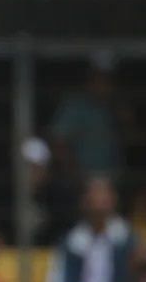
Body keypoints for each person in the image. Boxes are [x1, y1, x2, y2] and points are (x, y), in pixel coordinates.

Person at [45, 176, 138, 282]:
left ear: (114, 200)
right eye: (94, 196)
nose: (99, 202)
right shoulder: (70, 242)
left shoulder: (128, 240)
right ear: (84, 202)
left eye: (104, 196)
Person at [49, 51, 127, 186]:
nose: (104, 85)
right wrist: (75, 174)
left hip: (110, 178)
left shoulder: (113, 106)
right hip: (81, 180)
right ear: (90, 79)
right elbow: (58, 142)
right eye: (100, 79)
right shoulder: (75, 106)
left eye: (108, 80)